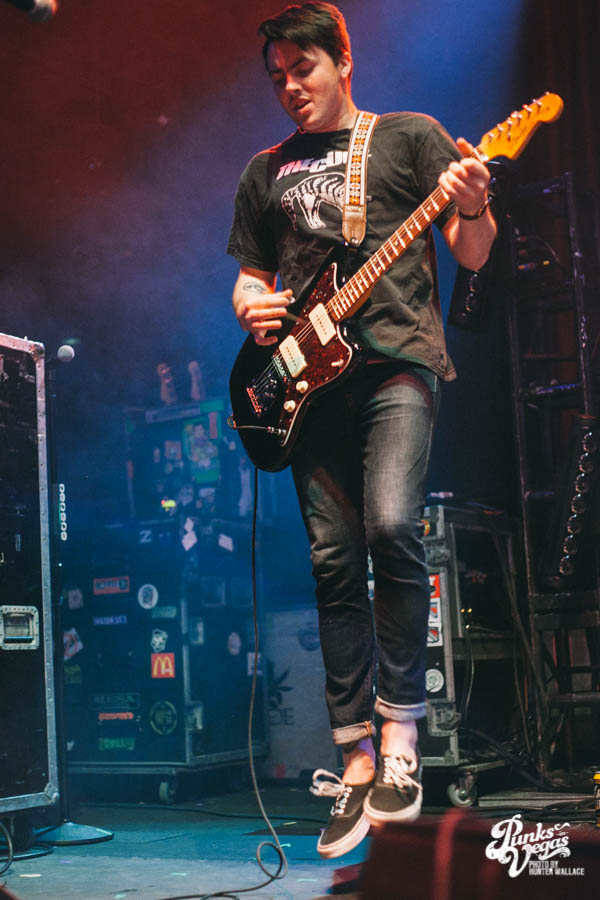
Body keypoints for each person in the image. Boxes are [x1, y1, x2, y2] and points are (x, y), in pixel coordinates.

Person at [227, 1, 496, 859]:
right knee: (333, 560)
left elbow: (472, 251)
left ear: (343, 60)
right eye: (277, 76)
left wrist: (475, 205)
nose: (289, 87)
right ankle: (353, 759)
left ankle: (402, 736)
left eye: (302, 69)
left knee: (391, 525)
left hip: (396, 364)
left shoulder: (409, 137)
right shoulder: (264, 171)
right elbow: (250, 279)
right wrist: (251, 304)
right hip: (306, 387)